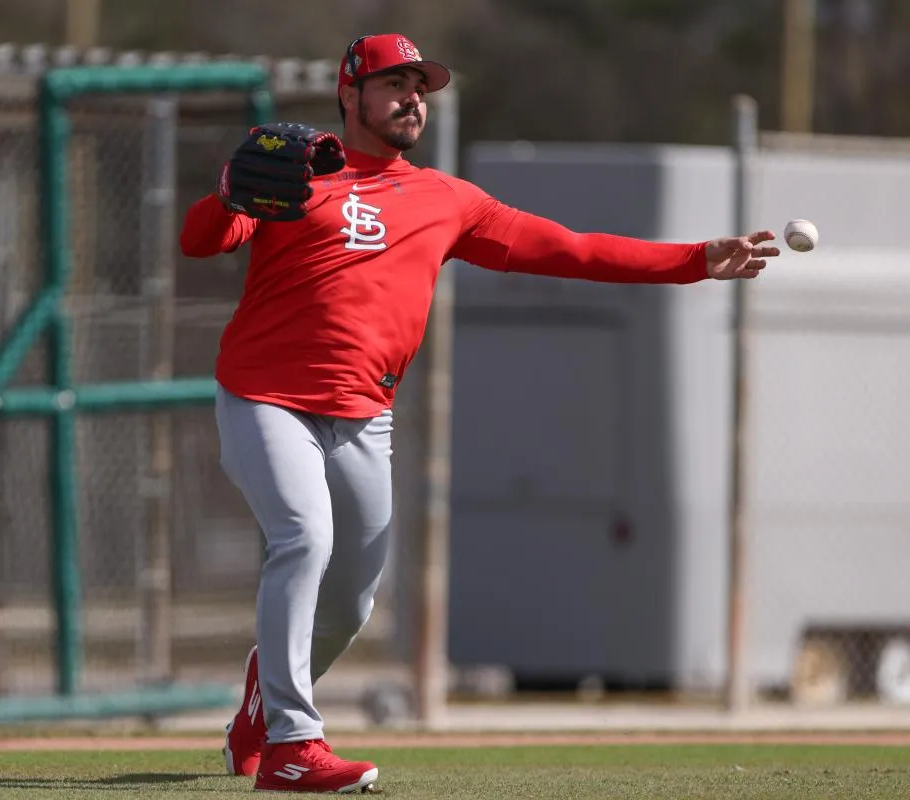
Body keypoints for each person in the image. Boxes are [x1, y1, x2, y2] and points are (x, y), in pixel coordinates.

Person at [179, 33, 779, 794]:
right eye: (394, 85)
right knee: (305, 536)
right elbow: (201, 242)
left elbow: (570, 249)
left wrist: (693, 260)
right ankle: (297, 742)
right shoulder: (297, 171)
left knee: (352, 599)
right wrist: (229, 193)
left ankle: (257, 717)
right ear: (349, 93)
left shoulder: (445, 200)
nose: (412, 99)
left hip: (364, 414)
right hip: (266, 395)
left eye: (420, 87)